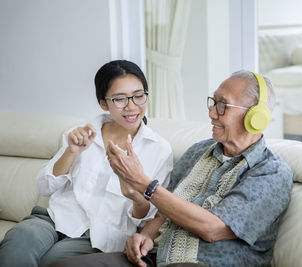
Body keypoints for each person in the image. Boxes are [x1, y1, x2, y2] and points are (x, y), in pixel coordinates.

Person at [49, 70, 293, 267]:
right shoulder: (199, 151)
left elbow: (213, 229)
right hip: (156, 257)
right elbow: (164, 212)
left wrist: (144, 184)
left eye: (222, 105)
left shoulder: (271, 172)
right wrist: (145, 237)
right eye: (212, 102)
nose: (210, 112)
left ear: (255, 117)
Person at [0, 60, 173, 267]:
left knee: (51, 261)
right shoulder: (82, 133)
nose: (132, 106)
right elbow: (45, 187)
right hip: (53, 219)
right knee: (18, 241)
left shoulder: (159, 149)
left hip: (98, 237)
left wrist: (136, 197)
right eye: (119, 99)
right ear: (103, 103)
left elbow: (148, 217)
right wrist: (71, 152)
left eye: (138, 96)